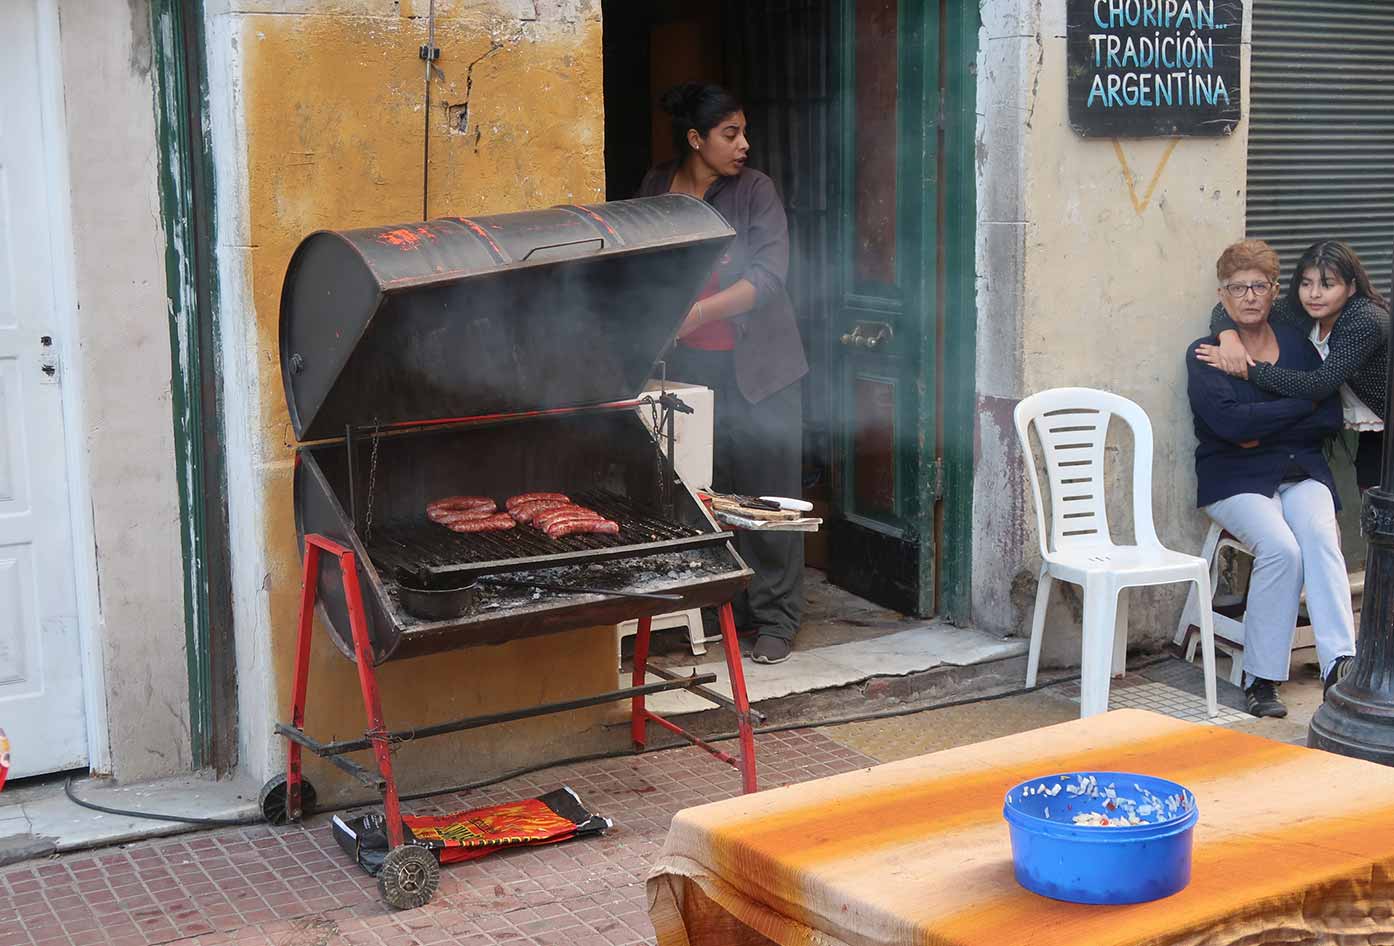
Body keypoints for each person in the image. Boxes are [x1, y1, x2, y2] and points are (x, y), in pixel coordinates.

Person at [639, 81, 809, 665]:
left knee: (770, 496)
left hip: (763, 371)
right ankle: (727, 604)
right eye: (730, 134)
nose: (744, 145)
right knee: (711, 491)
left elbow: (768, 278)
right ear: (696, 139)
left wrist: (694, 315)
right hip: (691, 372)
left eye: (744, 133)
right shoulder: (658, 187)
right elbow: (643, 265)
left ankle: (778, 618)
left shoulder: (754, 191)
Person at [1186, 239, 1356, 719]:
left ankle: (1339, 664)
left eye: (1258, 286)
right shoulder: (1205, 353)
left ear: (1274, 291)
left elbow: (1328, 416)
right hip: (1234, 476)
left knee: (1321, 536)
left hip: (1300, 470)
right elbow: (1230, 426)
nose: (1249, 296)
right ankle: (1262, 679)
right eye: (1237, 288)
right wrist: (1297, 406)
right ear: (1222, 297)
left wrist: (1263, 417)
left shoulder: (1298, 344)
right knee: (1282, 548)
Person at [1196, 240, 1391, 490]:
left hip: (1385, 424)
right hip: (1376, 432)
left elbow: (1320, 384)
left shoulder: (1366, 320)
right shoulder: (1300, 312)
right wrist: (1229, 338)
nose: (1314, 294)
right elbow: (1231, 305)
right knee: (1375, 508)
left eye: (1327, 285)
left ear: (1351, 287)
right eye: (1306, 283)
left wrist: (1249, 368)